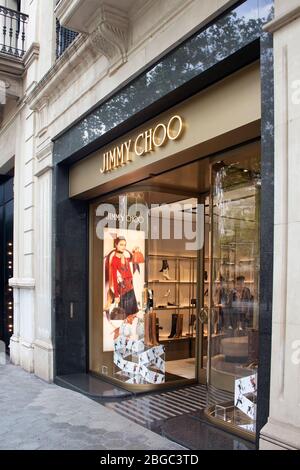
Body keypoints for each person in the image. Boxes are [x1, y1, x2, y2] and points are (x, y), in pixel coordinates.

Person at [105, 236, 139, 317]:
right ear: (116, 245)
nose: (123, 247)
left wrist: (134, 251)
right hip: (123, 290)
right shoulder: (114, 260)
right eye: (121, 245)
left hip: (130, 288)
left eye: (124, 245)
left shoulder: (125, 257)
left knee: (133, 315)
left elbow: (132, 258)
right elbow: (114, 278)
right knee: (125, 316)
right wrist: (116, 295)